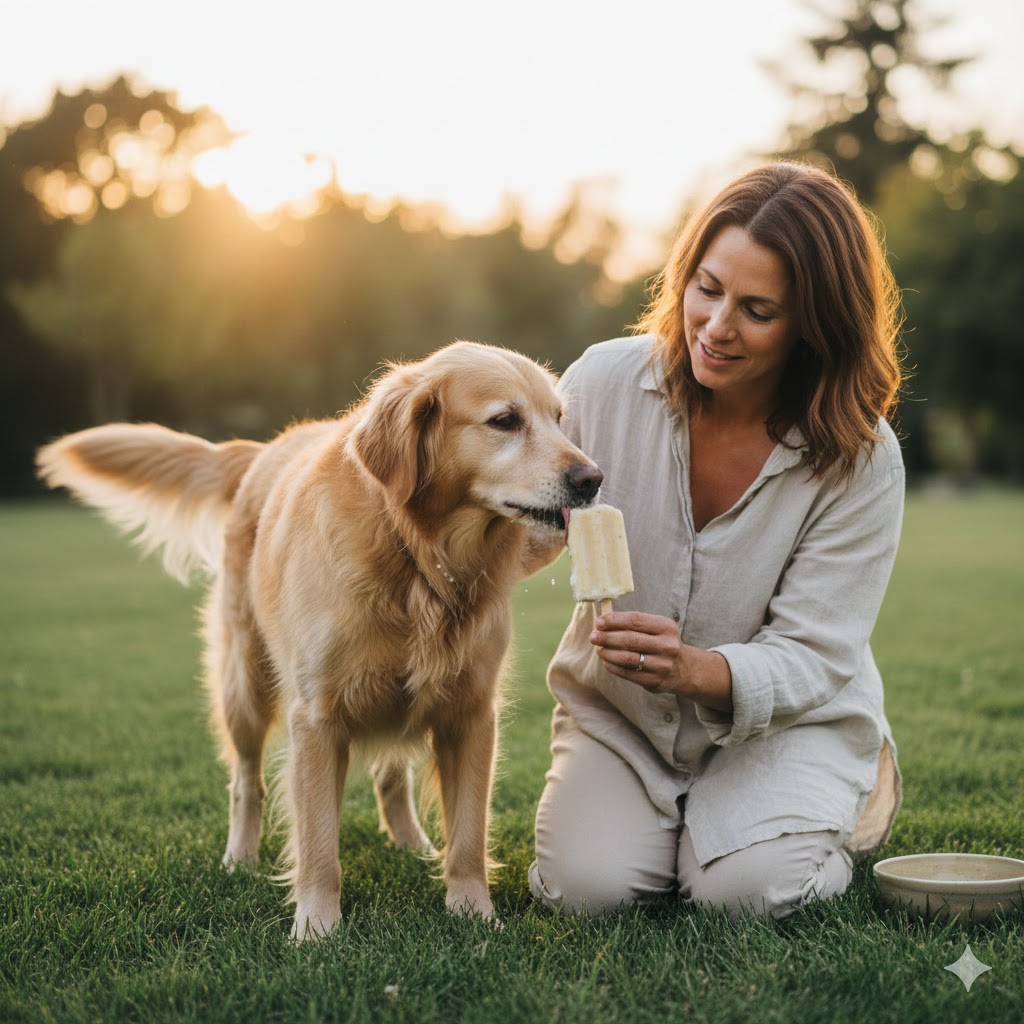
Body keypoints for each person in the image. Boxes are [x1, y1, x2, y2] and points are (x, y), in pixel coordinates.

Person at [528, 161, 906, 920]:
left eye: (757, 310)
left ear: (815, 326)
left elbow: (815, 653)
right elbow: (522, 532)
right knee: (585, 892)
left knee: (745, 895)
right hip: (623, 720)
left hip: (786, 728)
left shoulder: (862, 459)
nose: (716, 326)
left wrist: (699, 671)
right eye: (707, 288)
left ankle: (824, 817)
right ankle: (680, 832)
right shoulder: (600, 385)